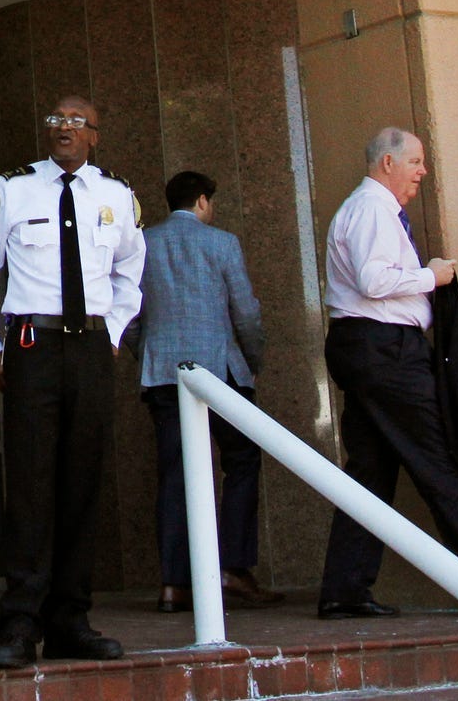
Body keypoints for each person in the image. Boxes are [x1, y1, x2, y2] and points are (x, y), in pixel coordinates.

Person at [316, 127, 458, 618]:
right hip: (384, 350)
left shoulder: (370, 210)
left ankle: (345, 588)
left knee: (370, 472)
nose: (422, 171)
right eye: (416, 161)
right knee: (438, 460)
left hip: (370, 349)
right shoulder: (372, 210)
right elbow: (374, 280)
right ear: (387, 163)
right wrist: (433, 276)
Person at [0, 95, 144, 670]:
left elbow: (130, 271)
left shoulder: (116, 196)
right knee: (33, 486)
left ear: (95, 135)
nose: (63, 129)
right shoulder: (12, 188)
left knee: (81, 485)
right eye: (55, 121)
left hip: (89, 347)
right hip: (30, 347)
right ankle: (20, 624)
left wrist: (111, 332)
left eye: (75, 123)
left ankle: (71, 620)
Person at [136, 170, 281, 613]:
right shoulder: (222, 243)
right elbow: (247, 312)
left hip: (163, 373)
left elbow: (124, 311)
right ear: (202, 201)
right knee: (241, 461)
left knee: (175, 473)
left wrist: (147, 349)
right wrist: (251, 360)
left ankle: (175, 584)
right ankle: (234, 568)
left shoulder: (143, 243)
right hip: (221, 370)